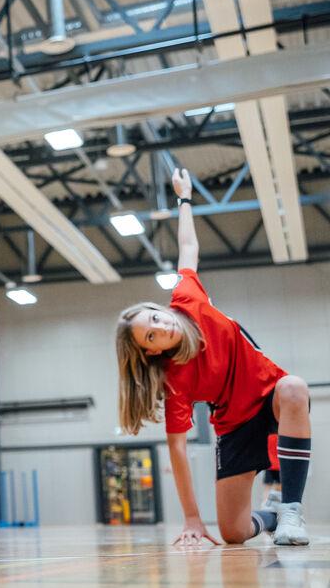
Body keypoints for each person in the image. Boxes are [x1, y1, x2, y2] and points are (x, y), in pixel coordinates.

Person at [115, 167, 311, 547]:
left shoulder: (187, 297)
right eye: (151, 335)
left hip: (269, 396)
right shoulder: (174, 380)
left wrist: (184, 199)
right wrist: (191, 517)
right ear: (152, 350)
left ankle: (291, 510)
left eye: (155, 318)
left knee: (294, 387)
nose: (161, 327)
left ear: (160, 309)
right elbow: (177, 448)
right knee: (233, 532)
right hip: (234, 425)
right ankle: (272, 514)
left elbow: (188, 247)